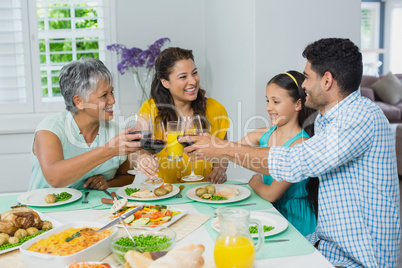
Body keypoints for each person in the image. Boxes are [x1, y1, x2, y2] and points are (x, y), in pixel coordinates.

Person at [183, 38, 400, 267]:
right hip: (327, 246)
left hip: (360, 260)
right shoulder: (329, 120)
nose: (303, 85)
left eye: (307, 77)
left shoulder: (358, 117)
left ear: (327, 80)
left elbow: (294, 161)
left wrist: (221, 148)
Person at [29, 58, 141, 191]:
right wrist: (109, 150)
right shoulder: (50, 129)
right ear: (79, 101)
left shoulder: (115, 131)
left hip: (92, 209)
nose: (113, 100)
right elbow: (54, 178)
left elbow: (127, 175)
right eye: (104, 95)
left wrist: (109, 184)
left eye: (112, 92)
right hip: (42, 210)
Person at [136, 47, 230, 184]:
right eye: (183, 77)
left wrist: (219, 170)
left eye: (194, 73)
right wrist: (142, 157)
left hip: (202, 193)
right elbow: (138, 150)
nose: (192, 81)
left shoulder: (216, 109)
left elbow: (222, 154)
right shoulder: (149, 108)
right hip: (162, 194)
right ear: (165, 82)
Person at [241, 71, 318, 237]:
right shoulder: (265, 134)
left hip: (294, 220)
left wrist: (255, 182)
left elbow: (271, 194)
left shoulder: (301, 143)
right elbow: (231, 150)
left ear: (298, 104)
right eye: (268, 100)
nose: (269, 107)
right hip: (270, 215)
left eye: (276, 101)